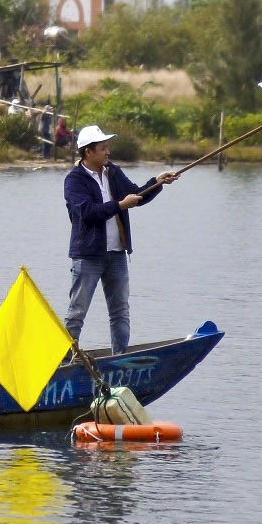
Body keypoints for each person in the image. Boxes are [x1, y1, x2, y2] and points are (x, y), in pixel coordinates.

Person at [63, 125, 178, 355]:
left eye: (107, 147)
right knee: (77, 312)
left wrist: (157, 182)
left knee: (120, 311)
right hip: (88, 256)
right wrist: (119, 205)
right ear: (88, 152)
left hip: (116, 254)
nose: (108, 152)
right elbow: (87, 212)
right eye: (103, 148)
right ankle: (64, 359)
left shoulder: (112, 171)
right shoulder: (74, 180)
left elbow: (135, 194)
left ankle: (120, 357)